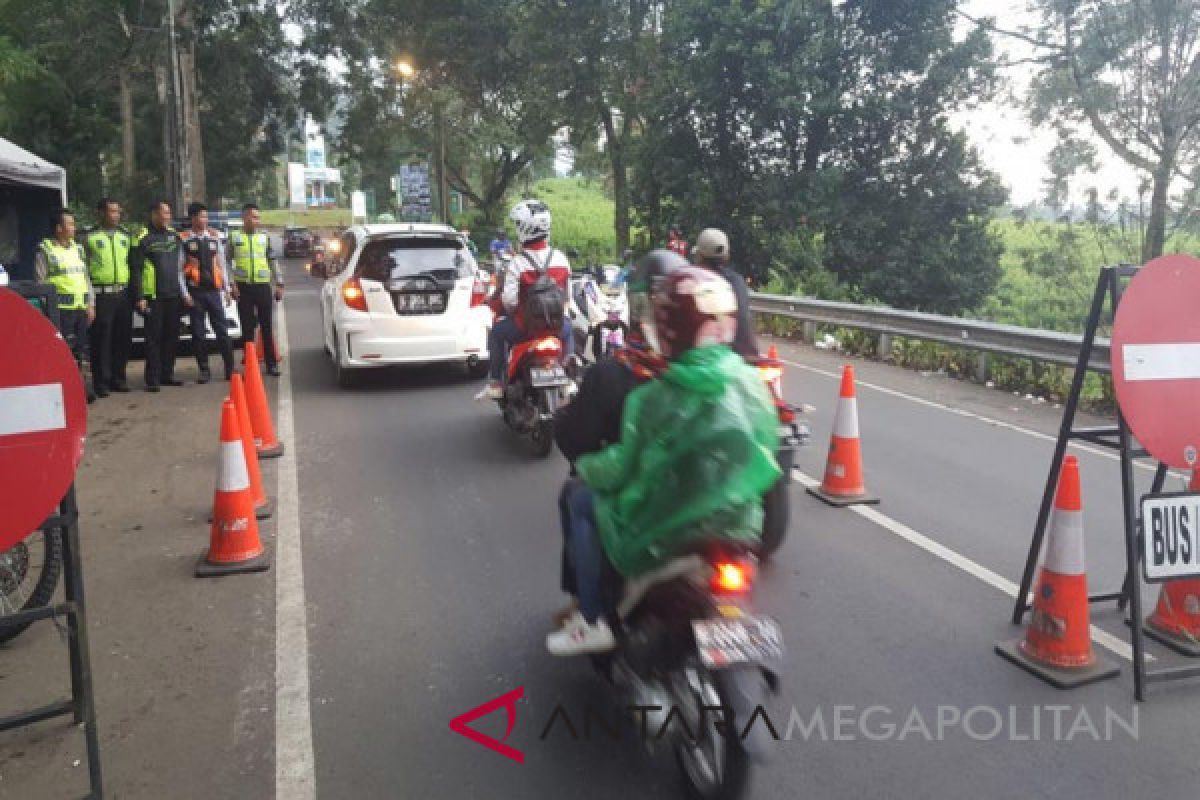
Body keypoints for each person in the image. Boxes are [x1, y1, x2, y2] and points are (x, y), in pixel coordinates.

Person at [546, 263, 781, 655]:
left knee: (579, 499)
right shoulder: (748, 381)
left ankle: (593, 618)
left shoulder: (652, 393)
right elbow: (767, 446)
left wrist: (588, 469)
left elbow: (620, 465)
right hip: (738, 523)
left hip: (667, 522)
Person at [475, 199, 572, 400]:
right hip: (555, 326)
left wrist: (516, 313)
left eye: (518, 224)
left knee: (496, 334)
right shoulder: (561, 259)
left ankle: (496, 382)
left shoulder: (518, 263)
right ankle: (569, 374)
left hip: (524, 328)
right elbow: (566, 297)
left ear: (526, 228)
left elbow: (509, 301)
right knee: (569, 330)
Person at [35, 209, 96, 401]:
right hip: (61, 311)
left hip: (81, 309)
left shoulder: (77, 249)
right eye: (70, 224)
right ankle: (66, 393)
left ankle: (84, 390)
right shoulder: (46, 250)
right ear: (59, 228)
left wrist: (91, 304)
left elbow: (86, 279)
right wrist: (48, 313)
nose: (74, 228)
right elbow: (40, 284)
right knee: (65, 353)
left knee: (83, 352)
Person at [130, 200, 189, 391]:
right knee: (153, 338)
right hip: (153, 297)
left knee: (171, 336)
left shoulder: (174, 236)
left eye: (169, 213)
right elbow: (136, 269)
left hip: (173, 295)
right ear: (154, 214)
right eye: (165, 213)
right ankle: (153, 379)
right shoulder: (142, 237)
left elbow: (182, 265)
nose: (168, 217)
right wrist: (139, 296)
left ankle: (167, 374)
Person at [83, 198, 133, 396]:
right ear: (101, 213)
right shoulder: (90, 238)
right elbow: (84, 268)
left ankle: (119, 378)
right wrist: (90, 300)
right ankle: (101, 382)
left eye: (118, 211)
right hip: (101, 294)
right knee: (102, 340)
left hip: (122, 293)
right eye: (111, 211)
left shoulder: (125, 237)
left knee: (123, 338)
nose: (115, 215)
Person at [180, 202, 234, 383]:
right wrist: (184, 293)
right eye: (201, 217)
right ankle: (204, 370)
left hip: (214, 292)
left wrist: (227, 289)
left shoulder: (214, 238)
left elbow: (222, 265)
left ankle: (229, 368)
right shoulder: (185, 240)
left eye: (206, 216)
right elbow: (179, 270)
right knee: (198, 333)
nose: (205, 220)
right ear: (193, 218)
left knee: (222, 331)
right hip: (195, 292)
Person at [229, 203, 284, 376]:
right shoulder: (234, 237)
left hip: (262, 287)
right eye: (253, 217)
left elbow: (273, 261)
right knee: (247, 330)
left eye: (258, 217)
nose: (256, 220)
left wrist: (279, 283)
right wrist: (231, 284)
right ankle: (251, 367)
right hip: (243, 288)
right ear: (244, 218)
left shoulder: (264, 238)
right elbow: (225, 262)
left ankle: (271, 364)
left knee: (267, 327)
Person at [692, 227, 759, 358]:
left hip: (707, 360)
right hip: (745, 356)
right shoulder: (737, 280)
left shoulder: (693, 281)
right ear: (726, 256)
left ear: (699, 256)